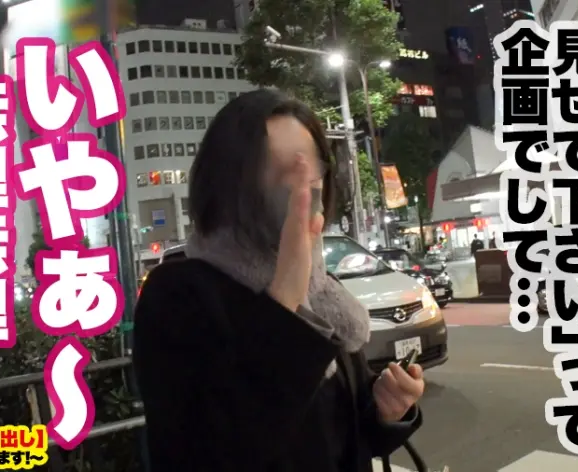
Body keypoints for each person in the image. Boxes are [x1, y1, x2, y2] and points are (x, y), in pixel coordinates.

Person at [133, 89, 424, 472]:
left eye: (311, 166)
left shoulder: (322, 291)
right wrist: (286, 298)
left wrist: (388, 411)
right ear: (227, 182)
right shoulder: (178, 294)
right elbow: (212, 451)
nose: (304, 184)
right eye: (283, 169)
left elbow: (342, 435)